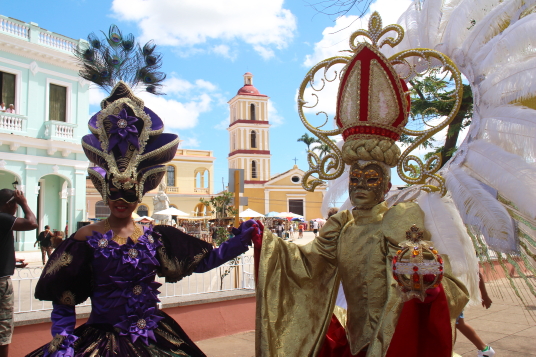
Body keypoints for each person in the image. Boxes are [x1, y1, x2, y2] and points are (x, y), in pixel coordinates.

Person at [26, 25, 260, 357]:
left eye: (130, 193)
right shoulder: (84, 239)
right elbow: (63, 297)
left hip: (155, 339)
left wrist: (240, 241)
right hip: (101, 341)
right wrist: (62, 338)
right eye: (115, 192)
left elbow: (205, 261)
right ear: (105, 190)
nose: (121, 201)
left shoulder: (156, 237)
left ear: (142, 191)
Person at [252, 21, 470, 357]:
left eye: (371, 180)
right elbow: (304, 266)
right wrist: (264, 243)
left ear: (386, 186)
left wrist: (424, 278)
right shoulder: (341, 227)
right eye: (355, 179)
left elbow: (439, 282)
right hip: (355, 343)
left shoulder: (401, 218)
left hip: (395, 342)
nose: (360, 187)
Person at [0, 189, 38, 357]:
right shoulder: (3, 218)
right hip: (1, 283)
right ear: (9, 204)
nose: (16, 208)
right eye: (15, 204)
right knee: (3, 328)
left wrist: (12, 262)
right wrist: (24, 202)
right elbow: (32, 223)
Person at [456, 273, 495, 357]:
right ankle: (484, 349)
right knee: (458, 323)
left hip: (453, 294)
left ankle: (484, 349)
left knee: (454, 323)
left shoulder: (464, 259)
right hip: (445, 293)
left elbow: (476, 272)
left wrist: (485, 295)